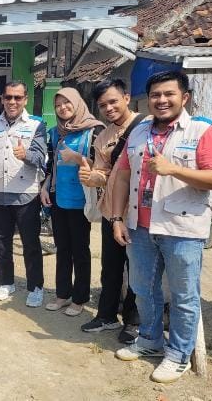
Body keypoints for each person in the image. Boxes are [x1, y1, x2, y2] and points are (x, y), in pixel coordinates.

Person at [111, 70, 212, 383]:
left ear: (184, 97)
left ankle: (179, 354)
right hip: (140, 226)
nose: (161, 100)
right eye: (156, 95)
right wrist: (117, 218)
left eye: (168, 94)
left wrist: (172, 169)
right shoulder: (139, 131)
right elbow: (121, 176)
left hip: (182, 228)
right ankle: (149, 340)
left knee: (184, 296)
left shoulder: (202, 130)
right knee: (143, 289)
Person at [78, 79, 142, 343]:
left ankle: (134, 321)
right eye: (103, 105)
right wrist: (94, 177)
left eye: (113, 101)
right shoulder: (103, 136)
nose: (109, 108)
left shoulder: (145, 127)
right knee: (111, 266)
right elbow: (105, 172)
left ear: (126, 98)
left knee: (137, 267)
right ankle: (106, 315)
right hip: (111, 211)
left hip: (139, 212)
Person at [40, 87, 105, 317]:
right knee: (63, 249)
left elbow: (103, 164)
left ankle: (79, 298)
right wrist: (45, 187)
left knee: (80, 250)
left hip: (82, 201)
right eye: (58, 105)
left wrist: (77, 158)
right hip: (59, 198)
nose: (62, 108)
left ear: (77, 104)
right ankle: (62, 294)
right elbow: (51, 165)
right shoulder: (56, 132)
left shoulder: (95, 130)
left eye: (67, 103)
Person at [0, 81, 47, 307]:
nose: (12, 102)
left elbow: (41, 158)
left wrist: (26, 154)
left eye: (17, 98)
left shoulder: (37, 124)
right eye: (8, 97)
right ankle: (5, 282)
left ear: (25, 100)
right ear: (2, 99)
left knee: (30, 243)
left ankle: (35, 287)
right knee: (1, 242)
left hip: (26, 194)